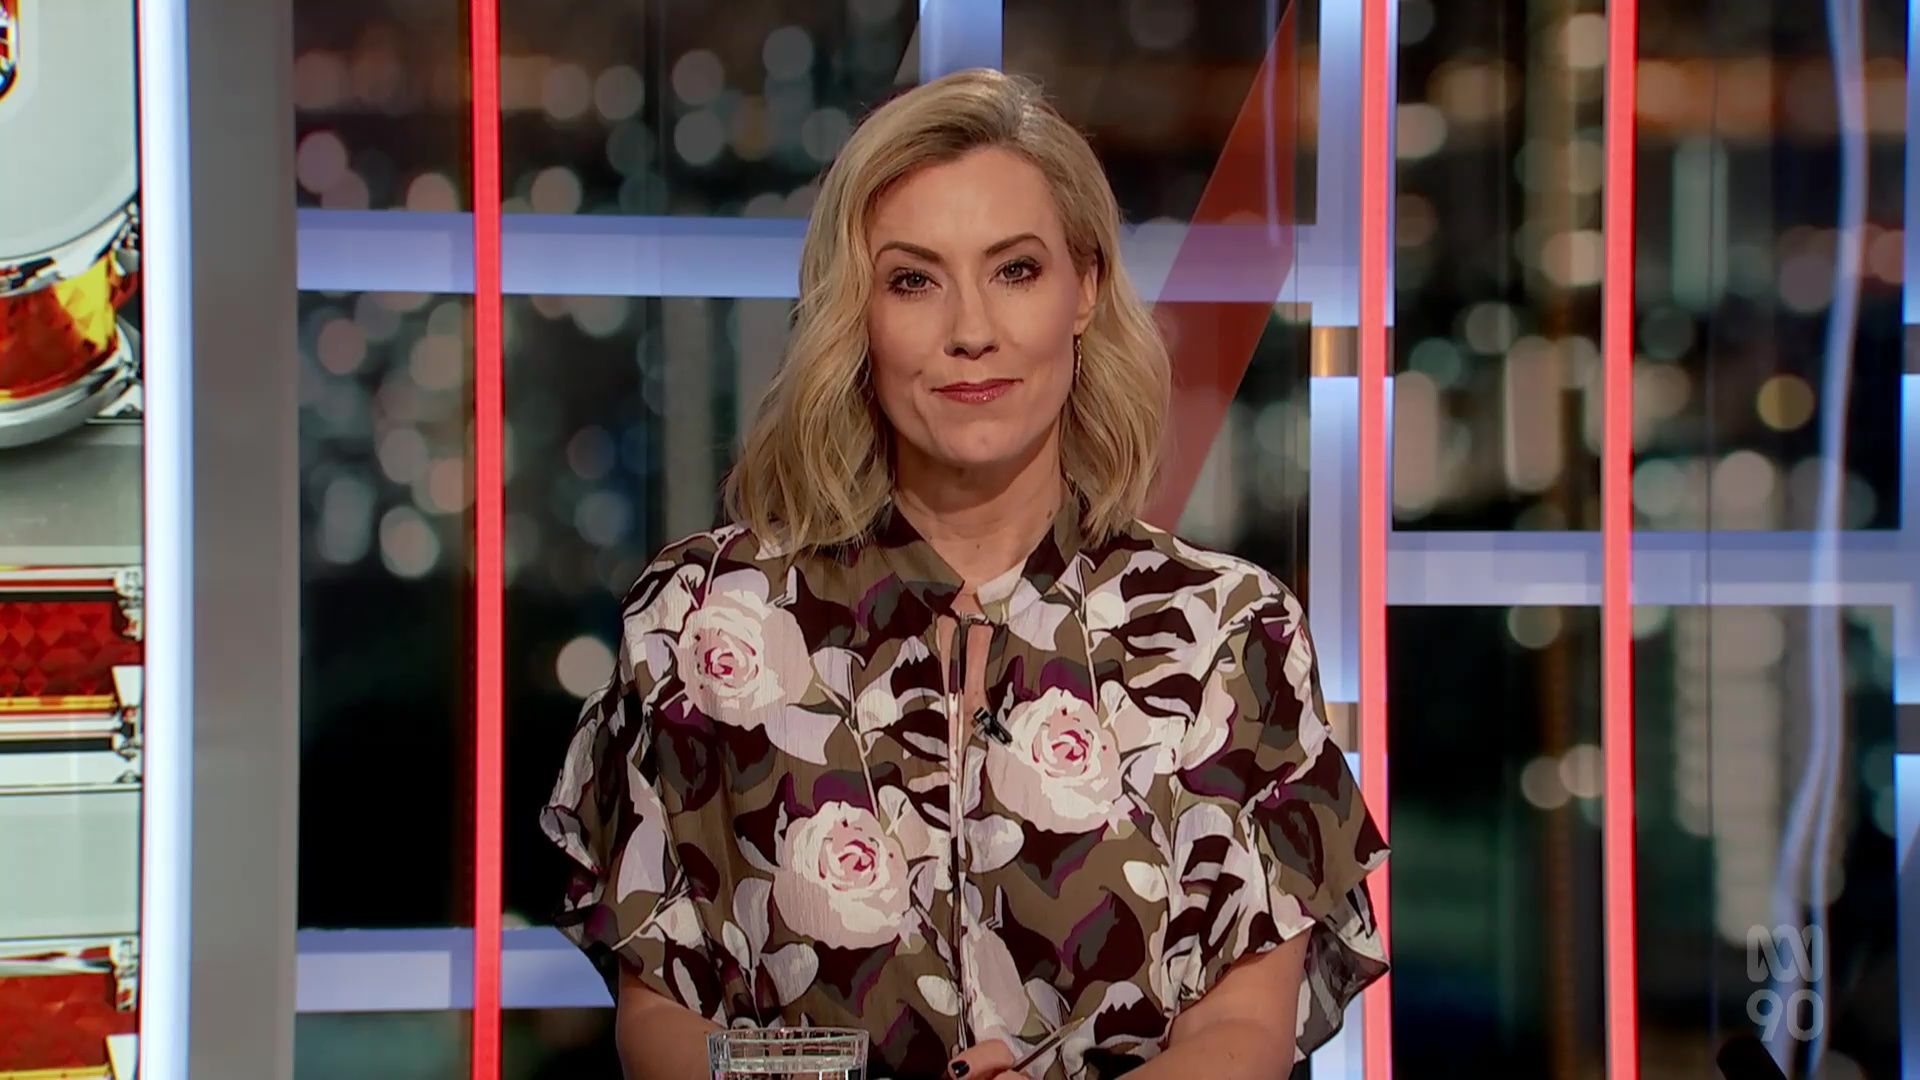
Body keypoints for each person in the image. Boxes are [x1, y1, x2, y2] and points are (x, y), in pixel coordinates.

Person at [542, 67, 1387, 1080]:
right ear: (857, 313)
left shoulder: (1226, 633)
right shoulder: (705, 622)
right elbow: (662, 1026)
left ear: (1084, 289)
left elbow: (1244, 1034)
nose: (972, 331)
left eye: (1015, 271)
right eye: (914, 281)